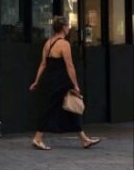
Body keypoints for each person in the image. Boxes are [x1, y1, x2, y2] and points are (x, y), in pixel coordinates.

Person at [29, 16, 101, 150]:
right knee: (54, 109)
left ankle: (84, 139)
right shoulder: (64, 44)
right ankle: (38, 138)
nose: (69, 28)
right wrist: (75, 85)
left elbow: (43, 64)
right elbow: (69, 66)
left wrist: (37, 81)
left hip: (49, 81)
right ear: (63, 28)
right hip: (60, 82)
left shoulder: (48, 43)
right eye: (68, 26)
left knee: (70, 108)